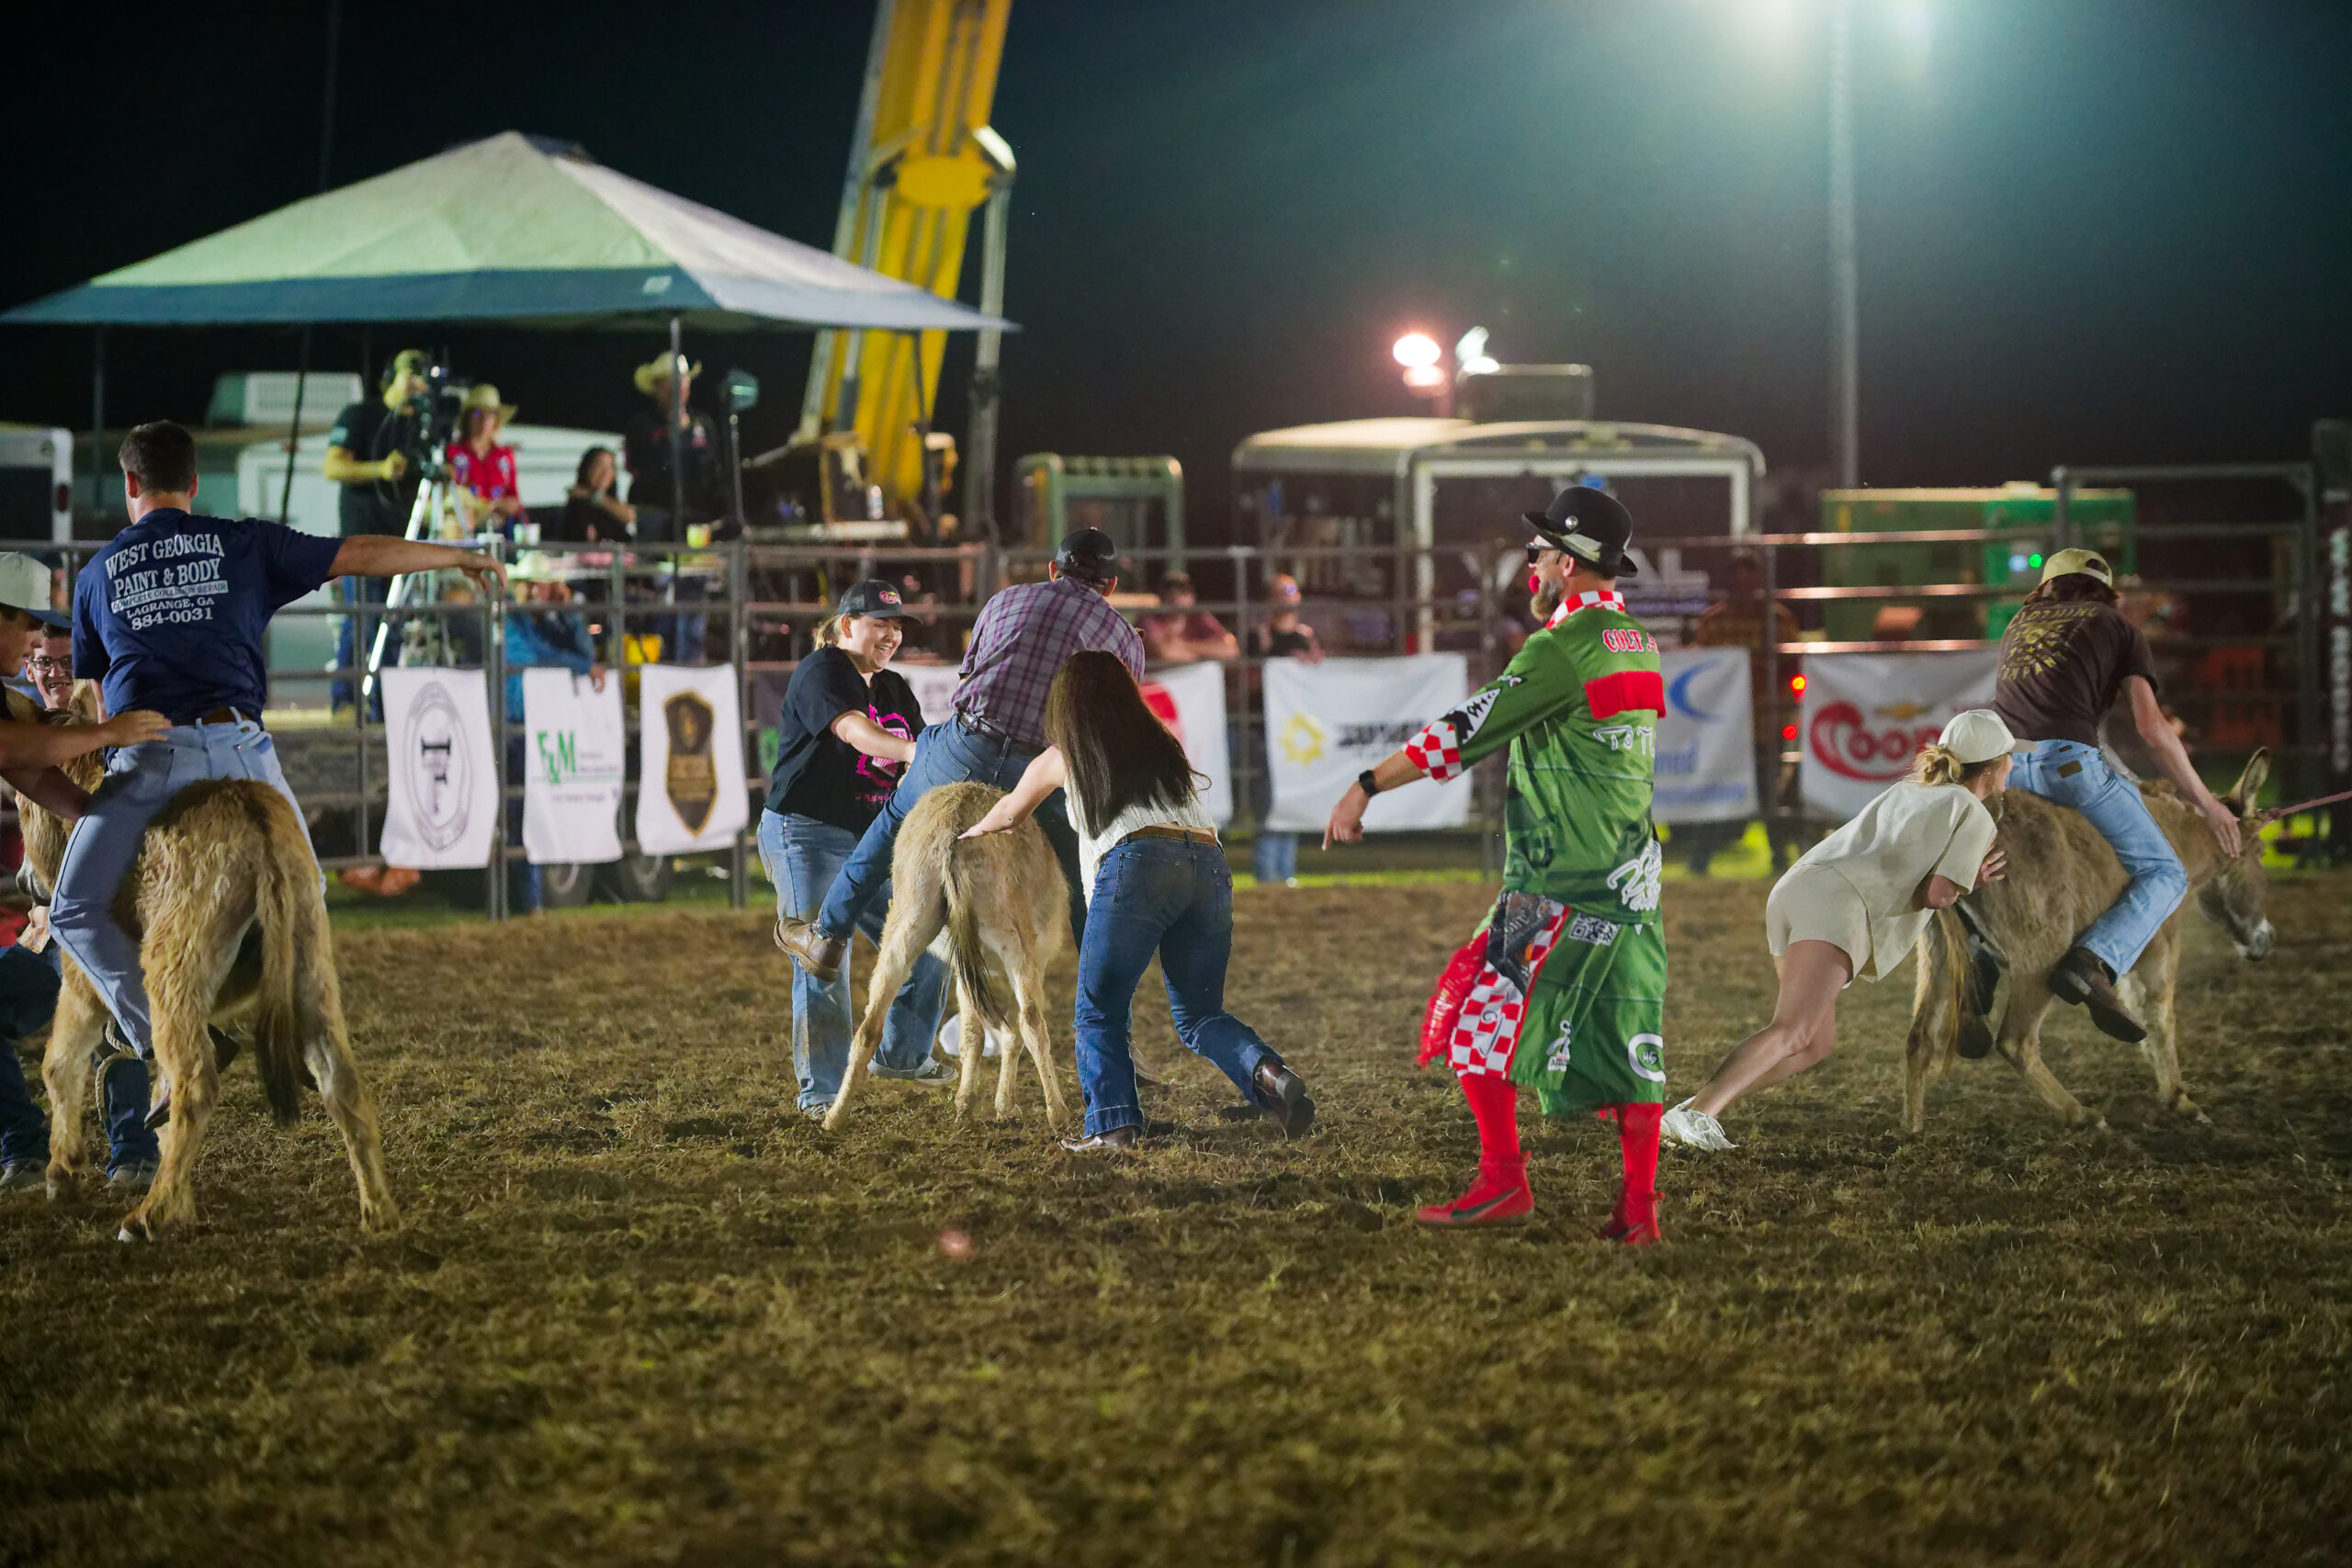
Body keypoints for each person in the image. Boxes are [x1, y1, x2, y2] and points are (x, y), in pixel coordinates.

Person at [51, 422, 506, 1072]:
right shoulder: (243, 543)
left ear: (129, 483)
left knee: (73, 908)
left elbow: (97, 699)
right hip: (242, 750)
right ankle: (311, 1031)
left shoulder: (96, 574)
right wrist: (453, 552)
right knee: (306, 889)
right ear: (194, 482)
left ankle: (166, 1040)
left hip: (151, 754)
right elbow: (358, 553)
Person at [1324, 486, 1670, 1240]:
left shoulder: (1559, 649)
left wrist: (1365, 785)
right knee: (1627, 1035)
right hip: (1630, 879)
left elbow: (1463, 730)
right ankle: (1639, 1211)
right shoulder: (1636, 642)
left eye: (1541, 553)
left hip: (1553, 882)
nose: (1531, 566)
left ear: (1573, 565)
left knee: (1473, 1015)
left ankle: (1502, 1182)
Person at [962, 651, 1313, 1150]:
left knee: (1098, 1010)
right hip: (1209, 864)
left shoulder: (1063, 755)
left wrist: (968, 832)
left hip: (1136, 863)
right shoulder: (1162, 746)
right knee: (1200, 1014)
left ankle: (1112, 1126)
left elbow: (1008, 813)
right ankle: (1271, 1077)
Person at [775, 527, 1146, 985]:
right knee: (1081, 867)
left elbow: (969, 673)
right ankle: (1104, 991)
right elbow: (1113, 722)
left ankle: (827, 935)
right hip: (1041, 769)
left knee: (893, 820)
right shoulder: (1125, 638)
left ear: (1053, 570)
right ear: (1110, 586)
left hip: (968, 744)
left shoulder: (1006, 600)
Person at [1661, 711, 2015, 1152]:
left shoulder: (1913, 788)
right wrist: (1973, 878)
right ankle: (1695, 1114)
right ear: (1994, 764)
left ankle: (1691, 1111)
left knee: (1813, 1042)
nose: (2012, 766)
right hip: (1836, 906)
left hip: (1800, 889)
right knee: (1792, 1030)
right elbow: (1940, 895)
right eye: (2010, 758)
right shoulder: (1975, 814)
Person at [1991, 547, 2239, 1043]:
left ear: (2046, 586)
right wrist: (2208, 802)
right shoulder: (2118, 626)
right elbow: (2151, 727)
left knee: (1999, 871)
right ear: (2108, 593)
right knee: (2165, 872)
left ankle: (1980, 956)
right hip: (2069, 767)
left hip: (2006, 770)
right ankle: (2093, 961)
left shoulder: (2018, 623)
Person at [0, 552, 172, 1192]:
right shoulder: (40, 722)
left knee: (105, 966)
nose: (40, 662)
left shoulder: (61, 724)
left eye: (60, 658)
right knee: (101, 965)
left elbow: (38, 776)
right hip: (57, 924)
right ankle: (25, 1149)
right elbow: (18, 755)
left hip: (82, 920)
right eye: (35, 647)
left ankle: (129, 1150)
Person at [760, 581, 951, 1116]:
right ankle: (821, 1093)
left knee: (931, 935)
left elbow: (922, 760)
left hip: (869, 838)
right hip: (805, 831)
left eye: (895, 626)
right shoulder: (822, 670)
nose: (890, 634)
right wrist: (916, 752)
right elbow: (854, 732)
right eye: (878, 623)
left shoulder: (894, 687)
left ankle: (903, 1056)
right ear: (846, 626)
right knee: (824, 956)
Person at [1682, 550, 1804, 874]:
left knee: (1768, 793)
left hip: (1766, 720)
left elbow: (1794, 666)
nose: (1744, 587)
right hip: (1726, 725)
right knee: (1718, 788)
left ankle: (1778, 858)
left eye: (1750, 580)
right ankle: (1701, 860)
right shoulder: (1714, 621)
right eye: (1738, 581)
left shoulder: (1779, 621)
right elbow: (1701, 669)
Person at [322, 350, 430, 710]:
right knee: (361, 621)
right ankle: (346, 703)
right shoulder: (361, 414)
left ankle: (382, 706)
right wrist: (379, 469)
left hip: (400, 541)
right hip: (361, 538)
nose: (417, 384)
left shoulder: (419, 427)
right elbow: (332, 466)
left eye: (423, 377)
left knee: (393, 627)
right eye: (409, 374)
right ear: (389, 376)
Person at [503, 554, 606, 915]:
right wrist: (584, 665)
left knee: (525, 808)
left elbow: (575, 650)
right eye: (543, 585)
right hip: (514, 723)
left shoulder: (529, 621)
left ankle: (528, 901)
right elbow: (544, 655)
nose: (547, 592)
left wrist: (568, 613)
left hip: (525, 723)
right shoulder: (513, 621)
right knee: (522, 809)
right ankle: (526, 900)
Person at [1248, 573, 1322, 886]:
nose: (1286, 597)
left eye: (1291, 591)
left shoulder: (1306, 635)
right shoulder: (1259, 636)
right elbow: (1249, 680)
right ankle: (1267, 871)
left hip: (1294, 732)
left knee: (1290, 795)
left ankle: (1285, 870)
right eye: (1279, 592)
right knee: (1268, 798)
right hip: (1266, 727)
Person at [623, 353, 723, 542]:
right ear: (656, 389)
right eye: (669, 383)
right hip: (653, 517)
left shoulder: (703, 424)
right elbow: (640, 468)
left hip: (697, 518)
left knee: (696, 567)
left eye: (682, 382)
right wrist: (670, 434)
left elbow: (713, 471)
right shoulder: (643, 425)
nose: (677, 388)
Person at [447, 384, 527, 538]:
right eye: (478, 413)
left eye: (490, 414)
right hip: (464, 531)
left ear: (496, 420)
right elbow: (449, 494)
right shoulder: (452, 453)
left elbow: (515, 498)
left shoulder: (504, 456)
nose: (484, 420)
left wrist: (507, 505)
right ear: (467, 418)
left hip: (501, 532)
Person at [1140, 571, 1238, 666]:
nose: (1177, 599)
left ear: (1192, 597)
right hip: (1155, 678)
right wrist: (1207, 653)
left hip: (1191, 676)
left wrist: (1184, 645)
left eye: (1183, 592)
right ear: (1161, 597)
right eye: (1170, 592)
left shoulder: (1199, 617)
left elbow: (1230, 650)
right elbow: (1167, 655)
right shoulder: (1150, 619)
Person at [554, 446, 635, 544]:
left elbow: (629, 516)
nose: (605, 473)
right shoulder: (578, 506)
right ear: (587, 469)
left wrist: (593, 496)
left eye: (610, 467)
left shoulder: (612, 505)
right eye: (599, 466)